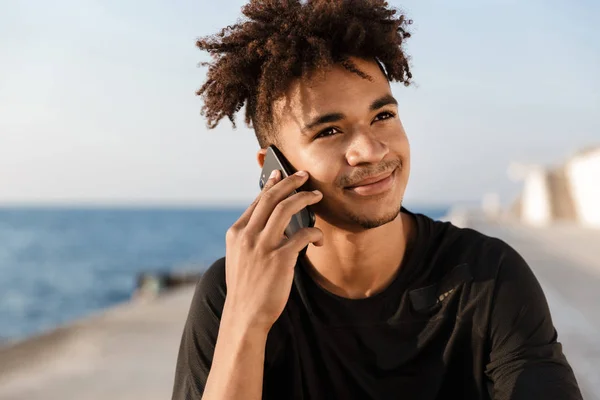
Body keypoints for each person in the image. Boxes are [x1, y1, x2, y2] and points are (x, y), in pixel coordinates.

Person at [171, 1, 582, 399]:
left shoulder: (487, 278)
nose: (371, 150)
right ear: (272, 167)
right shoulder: (230, 293)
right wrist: (248, 321)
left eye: (382, 117)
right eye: (329, 131)